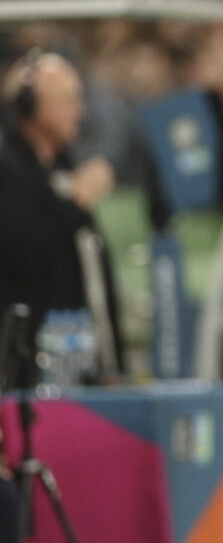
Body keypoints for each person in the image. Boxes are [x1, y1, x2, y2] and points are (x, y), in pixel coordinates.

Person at [0, 49, 122, 383]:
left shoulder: (63, 165)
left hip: (73, 349)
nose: (79, 112)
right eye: (69, 100)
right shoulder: (8, 169)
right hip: (26, 361)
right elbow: (26, 256)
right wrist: (75, 203)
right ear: (32, 106)